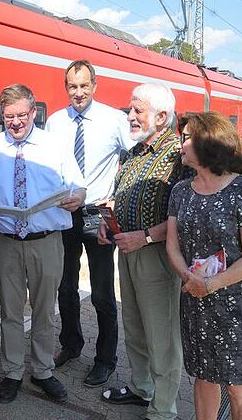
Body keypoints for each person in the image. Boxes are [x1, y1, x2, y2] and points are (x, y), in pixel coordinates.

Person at [0, 84, 86, 404]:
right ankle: (12, 371)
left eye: (21, 115)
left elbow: (77, 186)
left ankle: (43, 370)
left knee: (45, 311)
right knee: (10, 311)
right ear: (1, 116)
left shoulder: (55, 145)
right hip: (6, 242)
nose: (16, 122)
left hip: (46, 242)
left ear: (33, 112)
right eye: (9, 117)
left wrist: (76, 199)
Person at [166, 112, 242, 419]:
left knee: (238, 385)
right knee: (203, 376)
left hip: (236, 301)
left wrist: (210, 283)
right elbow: (172, 245)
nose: (180, 144)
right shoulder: (181, 191)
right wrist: (187, 276)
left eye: (185, 137)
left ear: (208, 142)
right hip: (195, 297)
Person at [45, 60, 134, 387]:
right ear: (66, 87)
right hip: (64, 213)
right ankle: (71, 345)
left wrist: (116, 199)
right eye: (72, 86)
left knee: (101, 292)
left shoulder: (114, 120)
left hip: (99, 215)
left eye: (84, 86)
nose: (78, 92)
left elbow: (135, 158)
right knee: (65, 287)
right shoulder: (55, 122)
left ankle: (105, 359)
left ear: (94, 86)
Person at [98, 83, 183, 420]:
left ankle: (163, 409)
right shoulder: (132, 152)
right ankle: (141, 388)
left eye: (137, 111)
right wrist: (111, 220)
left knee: (161, 333)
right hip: (128, 249)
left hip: (156, 255)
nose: (130, 116)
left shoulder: (179, 155)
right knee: (134, 325)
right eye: (130, 109)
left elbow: (184, 216)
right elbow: (123, 195)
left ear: (161, 117)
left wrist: (145, 237)